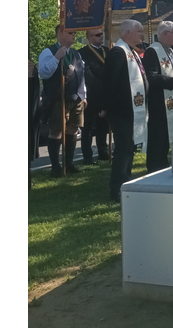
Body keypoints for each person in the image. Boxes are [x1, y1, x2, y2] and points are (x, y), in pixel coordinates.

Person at [105, 19, 149, 201]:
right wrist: (107, 109)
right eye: (139, 31)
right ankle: (116, 189)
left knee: (128, 149)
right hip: (122, 111)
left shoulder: (132, 52)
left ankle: (125, 181)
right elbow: (110, 83)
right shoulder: (118, 52)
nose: (142, 35)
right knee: (123, 150)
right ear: (127, 33)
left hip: (132, 110)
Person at [38, 24, 87, 176]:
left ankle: (69, 163)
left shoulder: (75, 53)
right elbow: (44, 73)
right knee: (57, 131)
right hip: (58, 98)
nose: (73, 35)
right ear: (60, 32)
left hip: (76, 97)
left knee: (73, 128)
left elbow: (81, 76)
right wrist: (57, 57)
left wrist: (84, 95)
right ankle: (55, 167)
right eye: (70, 32)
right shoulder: (49, 52)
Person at [143, 21, 173, 173]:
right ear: (166, 33)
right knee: (158, 137)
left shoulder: (169, 50)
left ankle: (162, 164)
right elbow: (151, 76)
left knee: (165, 137)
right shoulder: (153, 51)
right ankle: (155, 167)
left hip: (171, 101)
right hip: (158, 102)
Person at [77, 28, 110, 164]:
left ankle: (103, 152)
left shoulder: (107, 51)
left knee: (103, 126)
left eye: (101, 34)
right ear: (89, 37)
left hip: (105, 94)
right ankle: (88, 156)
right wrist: (100, 87)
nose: (100, 37)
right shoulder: (83, 52)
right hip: (91, 94)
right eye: (97, 35)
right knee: (88, 128)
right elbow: (87, 73)